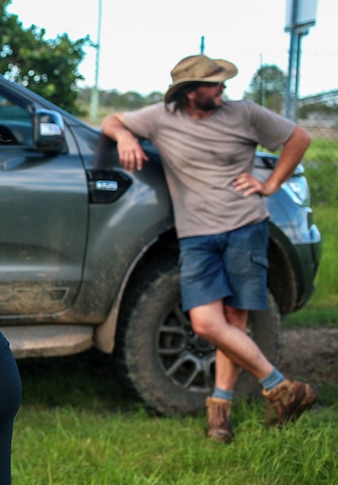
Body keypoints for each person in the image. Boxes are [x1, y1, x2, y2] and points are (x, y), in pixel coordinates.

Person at [100, 54, 317, 443]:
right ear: (188, 92)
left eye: (221, 83)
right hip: (197, 235)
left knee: (234, 322)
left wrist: (270, 186)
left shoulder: (246, 114)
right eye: (213, 84)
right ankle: (281, 386)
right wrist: (126, 136)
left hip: (245, 227)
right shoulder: (161, 118)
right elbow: (111, 121)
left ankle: (220, 414)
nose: (222, 89)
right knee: (205, 323)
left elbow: (299, 139)